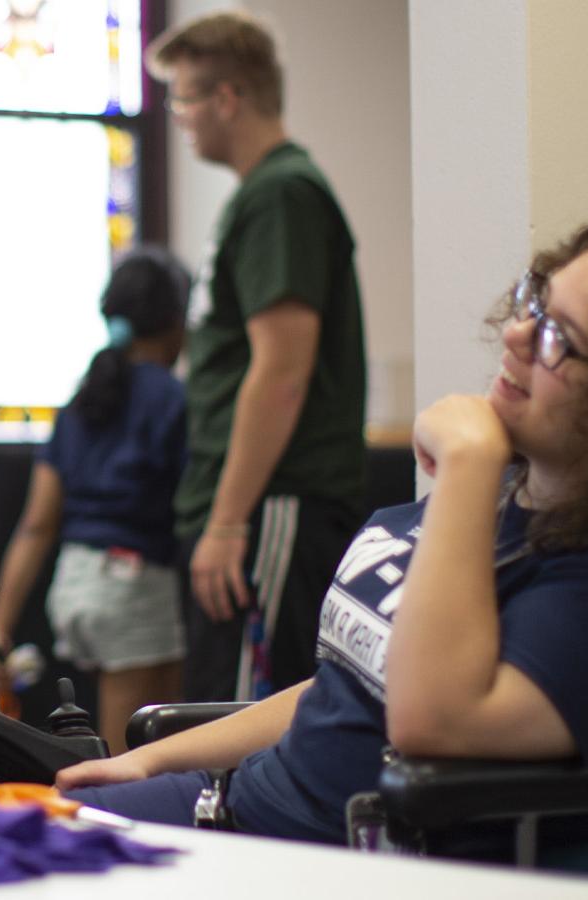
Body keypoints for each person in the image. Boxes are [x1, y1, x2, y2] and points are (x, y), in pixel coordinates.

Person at [57, 217, 588, 876]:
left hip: (341, 862)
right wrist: (151, 759)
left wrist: (470, 464)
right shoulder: (508, 507)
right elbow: (349, 688)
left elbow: (430, 718)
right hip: (237, 815)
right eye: (535, 304)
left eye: (558, 338)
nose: (513, 335)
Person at [152, 10, 370, 702]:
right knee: (218, 708)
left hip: (273, 503)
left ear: (227, 98)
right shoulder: (260, 193)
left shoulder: (283, 193)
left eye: (185, 98)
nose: (180, 117)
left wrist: (228, 519)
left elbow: (281, 369)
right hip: (248, 500)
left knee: (242, 721)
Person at [0, 247, 191, 753]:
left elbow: (37, 524)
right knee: (131, 755)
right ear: (174, 323)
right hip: (132, 584)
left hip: (75, 583)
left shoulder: (82, 400)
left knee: (149, 742)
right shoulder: (172, 398)